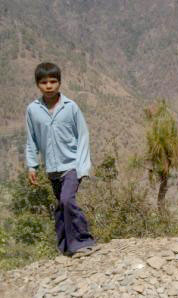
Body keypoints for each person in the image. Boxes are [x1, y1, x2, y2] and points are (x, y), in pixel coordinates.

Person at [25, 62, 97, 257]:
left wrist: (83, 167)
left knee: (67, 200)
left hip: (71, 165)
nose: (49, 86)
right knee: (60, 204)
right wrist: (32, 166)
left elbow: (83, 136)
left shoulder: (70, 107)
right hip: (52, 169)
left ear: (60, 83)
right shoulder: (33, 110)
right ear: (37, 84)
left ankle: (83, 241)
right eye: (44, 82)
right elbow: (30, 139)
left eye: (53, 81)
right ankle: (65, 246)